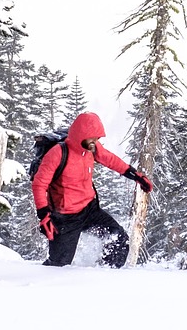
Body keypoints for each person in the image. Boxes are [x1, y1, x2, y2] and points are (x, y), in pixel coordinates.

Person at [32, 111, 153, 267]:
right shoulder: (58, 154)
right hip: (65, 218)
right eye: (94, 137)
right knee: (58, 266)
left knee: (119, 240)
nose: (96, 141)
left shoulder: (91, 148)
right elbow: (39, 184)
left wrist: (135, 175)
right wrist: (44, 216)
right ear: (82, 135)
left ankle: (104, 276)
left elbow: (110, 159)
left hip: (90, 210)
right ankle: (38, 286)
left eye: (98, 138)